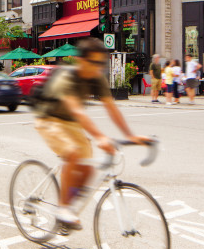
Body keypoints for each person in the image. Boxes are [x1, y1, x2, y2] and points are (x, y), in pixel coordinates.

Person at [34, 37, 149, 227]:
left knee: (87, 167)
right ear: (80, 60)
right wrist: (100, 137)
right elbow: (77, 111)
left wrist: (131, 135)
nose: (97, 67)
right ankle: (63, 209)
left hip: (70, 123)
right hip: (48, 119)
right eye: (93, 62)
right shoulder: (67, 77)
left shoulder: (96, 78)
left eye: (100, 64)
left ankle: (69, 207)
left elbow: (111, 107)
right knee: (72, 153)